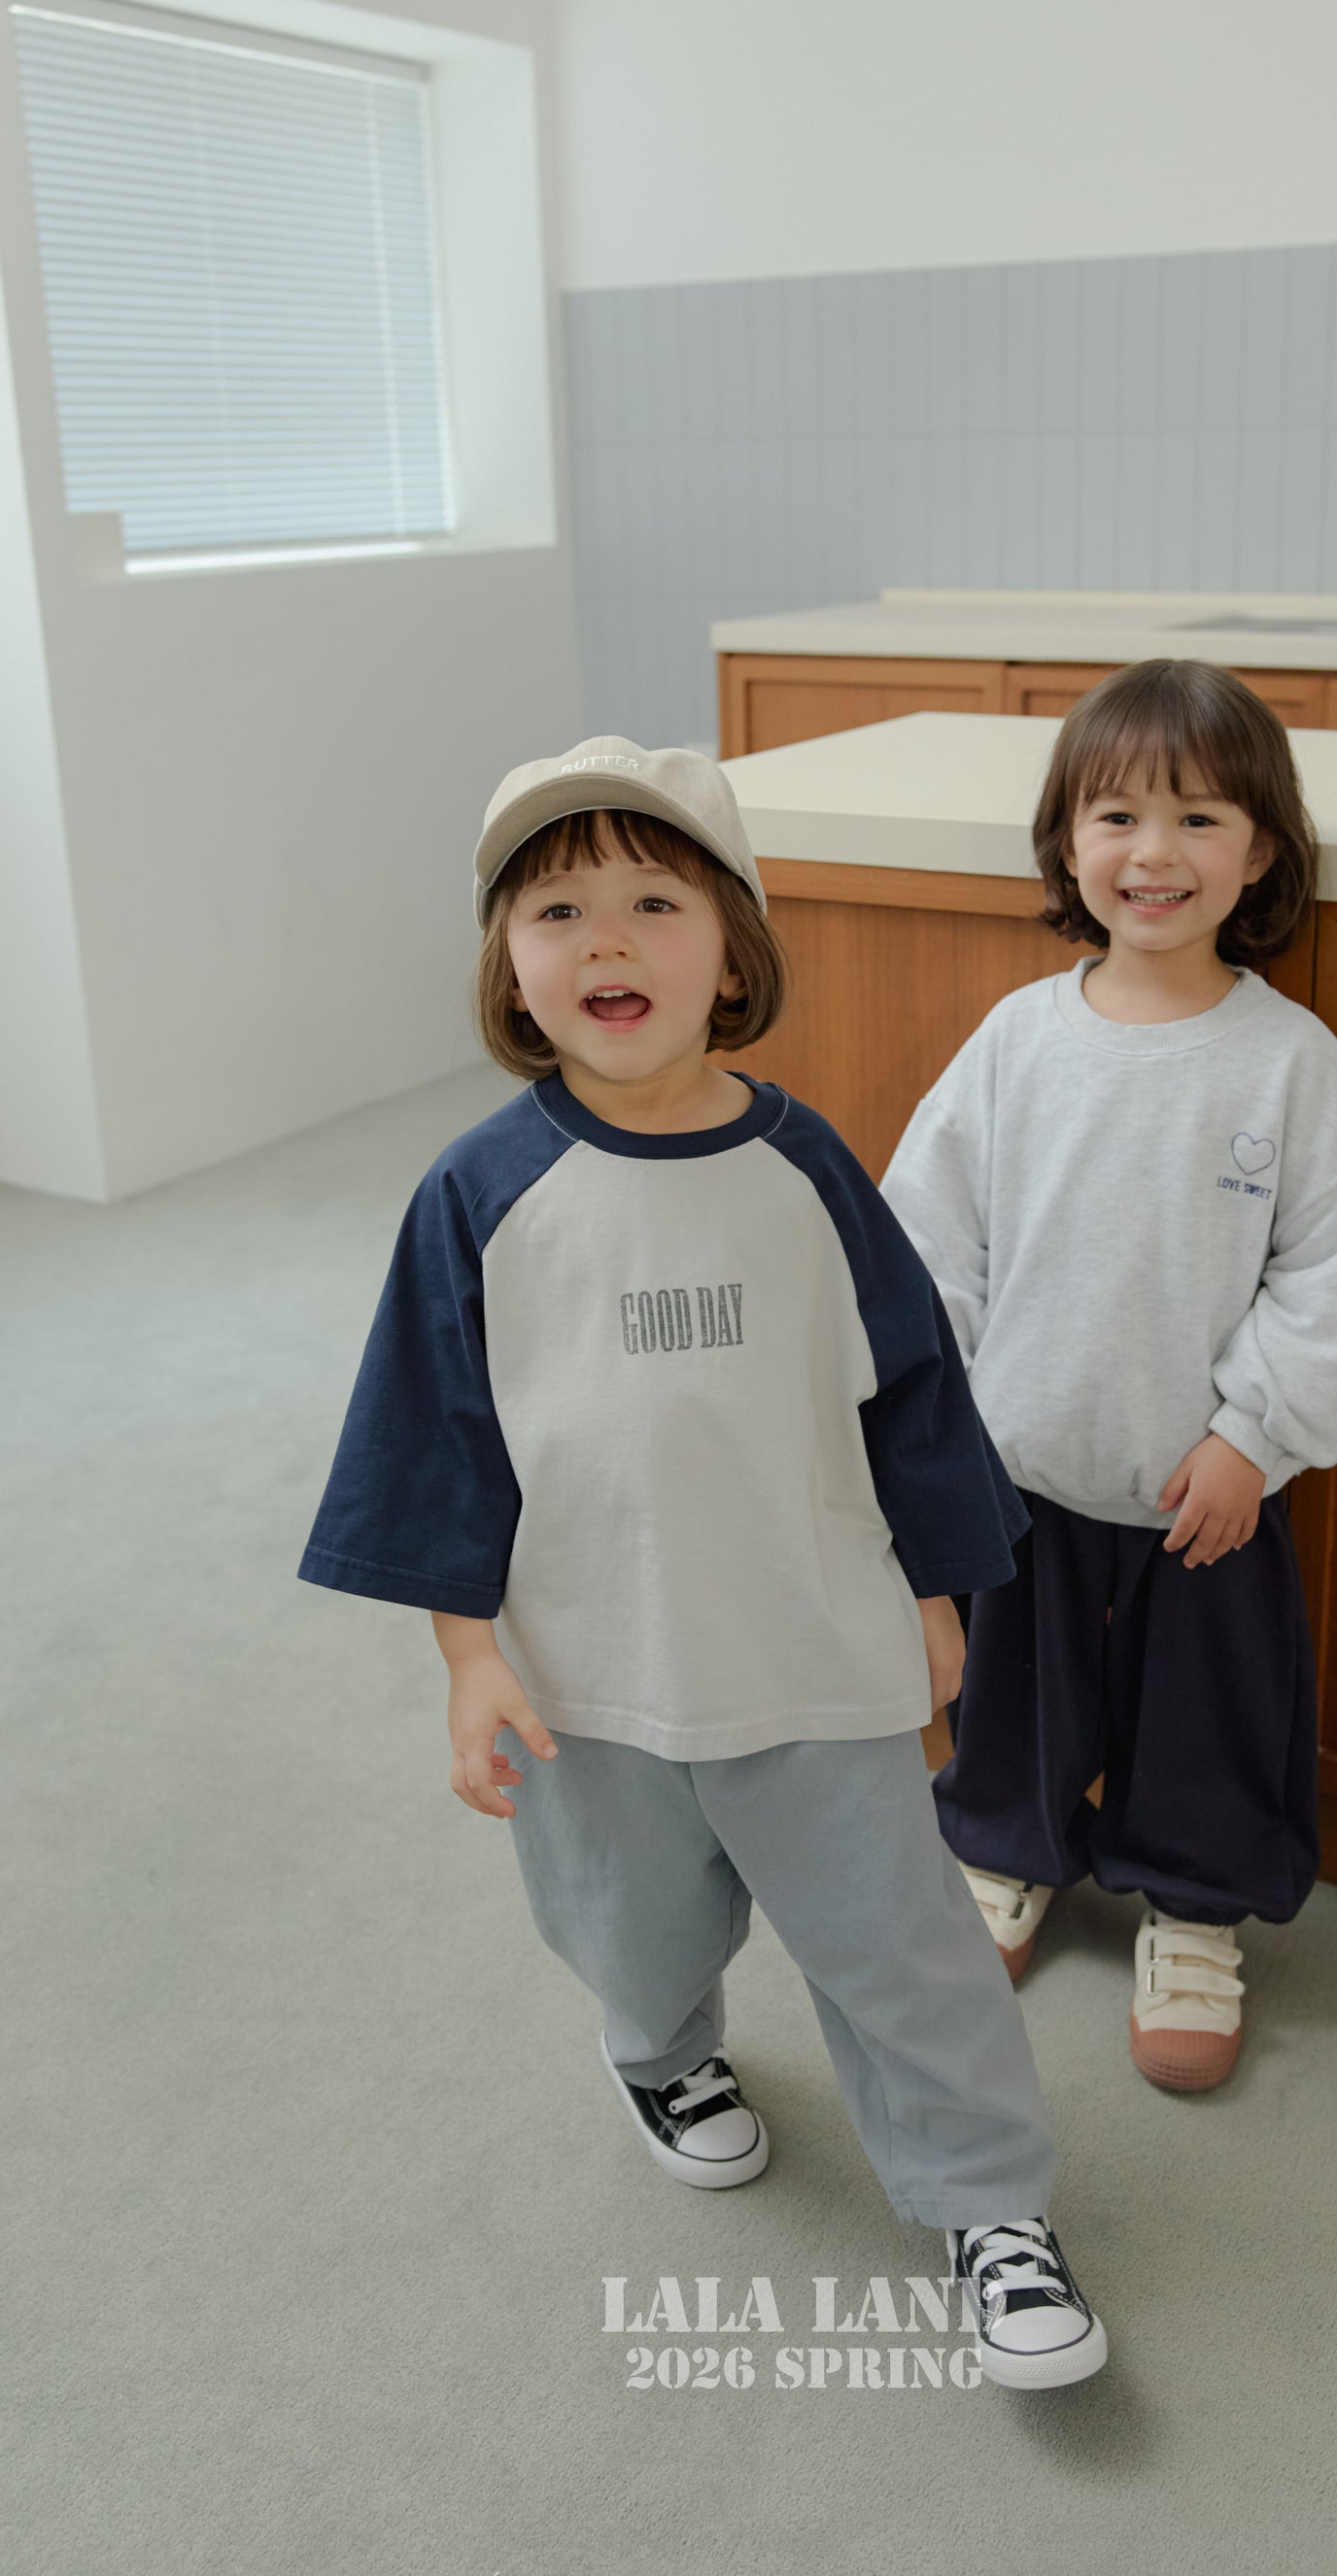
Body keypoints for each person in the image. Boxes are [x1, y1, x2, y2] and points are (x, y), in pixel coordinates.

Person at [299, 734, 1108, 2387]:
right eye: (557, 910)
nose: (605, 939)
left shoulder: (803, 1170)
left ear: (731, 950)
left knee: (901, 1947)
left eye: (653, 902)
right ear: (508, 966)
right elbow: (433, 1438)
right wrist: (469, 1657)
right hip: (589, 1672)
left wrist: (935, 1592)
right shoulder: (478, 1193)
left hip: (812, 1646)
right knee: (633, 1924)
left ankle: (987, 2204)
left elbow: (911, 1396)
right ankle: (660, 2052)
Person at [881, 662, 1337, 2091]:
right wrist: (943, 1431)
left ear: (1262, 851)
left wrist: (1253, 1436)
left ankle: (1194, 1911)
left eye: (1199, 818)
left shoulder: (1290, 1066)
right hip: (1022, 1467)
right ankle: (1003, 1852)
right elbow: (929, 1245)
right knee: (1011, 1697)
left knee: (1208, 1716)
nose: (1153, 852)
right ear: (1066, 840)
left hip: (1205, 1490)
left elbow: (1329, 1270)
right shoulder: (1016, 1042)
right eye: (1116, 815)